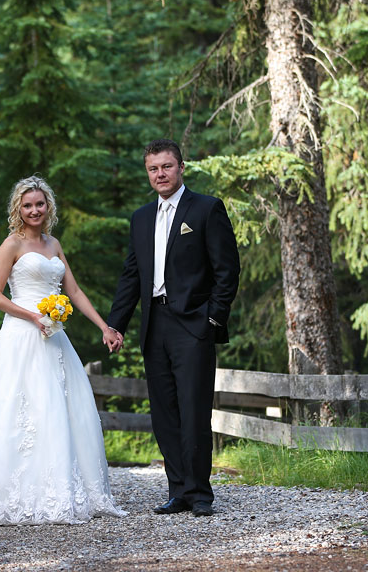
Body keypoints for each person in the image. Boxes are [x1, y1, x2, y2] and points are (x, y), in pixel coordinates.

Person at [0, 176, 126, 525]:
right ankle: (13, 494)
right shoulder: (11, 244)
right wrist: (33, 316)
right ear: (18, 209)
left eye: (40, 204)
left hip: (54, 339)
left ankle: (60, 491)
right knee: (19, 411)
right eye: (28, 205)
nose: (34, 210)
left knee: (58, 411)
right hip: (22, 335)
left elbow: (74, 290)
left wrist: (105, 327)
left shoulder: (54, 244)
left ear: (48, 206)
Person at [107, 139, 240, 517]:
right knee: (165, 413)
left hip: (194, 323)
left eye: (167, 166)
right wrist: (116, 323)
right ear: (147, 172)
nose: (160, 174)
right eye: (153, 168)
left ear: (181, 167)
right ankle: (178, 490)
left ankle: (200, 493)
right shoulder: (141, 217)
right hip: (155, 325)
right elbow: (132, 276)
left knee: (194, 409)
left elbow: (227, 270)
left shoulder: (206, 209)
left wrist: (214, 317)